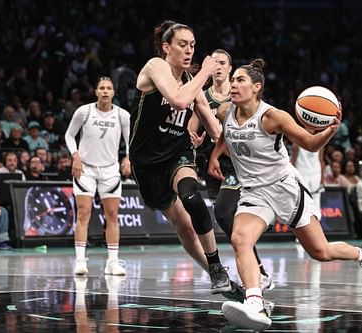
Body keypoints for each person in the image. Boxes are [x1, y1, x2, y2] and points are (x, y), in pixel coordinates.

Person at [209, 59, 362, 331]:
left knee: (321, 252)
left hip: (285, 189)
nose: (233, 84)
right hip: (254, 193)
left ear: (257, 87)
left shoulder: (273, 117)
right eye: (233, 79)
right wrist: (216, 154)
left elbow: (310, 144)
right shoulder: (223, 111)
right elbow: (226, 135)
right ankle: (255, 302)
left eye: (240, 80)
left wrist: (329, 130)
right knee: (240, 238)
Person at [129, 21, 233, 296]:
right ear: (166, 47)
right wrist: (205, 74)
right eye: (182, 44)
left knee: (192, 198)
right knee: (184, 227)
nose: (189, 51)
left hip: (178, 153)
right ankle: (213, 269)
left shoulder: (192, 82)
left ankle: (217, 269)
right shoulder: (155, 67)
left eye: (192, 45)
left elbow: (215, 130)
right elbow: (177, 99)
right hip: (147, 163)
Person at [190, 49, 273, 291]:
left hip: (237, 165)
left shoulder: (239, 95)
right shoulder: (202, 96)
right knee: (229, 218)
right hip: (212, 165)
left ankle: (255, 270)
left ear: (229, 69)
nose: (217, 66)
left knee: (225, 212)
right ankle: (257, 269)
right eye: (213, 62)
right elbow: (192, 128)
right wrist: (194, 141)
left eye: (222, 63)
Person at [65, 76, 131, 276]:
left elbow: (130, 141)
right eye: (101, 87)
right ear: (95, 91)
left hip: (110, 170)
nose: (104, 91)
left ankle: (112, 262)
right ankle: (79, 260)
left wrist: (128, 158)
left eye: (108, 88)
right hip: (85, 169)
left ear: (113, 93)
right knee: (84, 213)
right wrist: (75, 156)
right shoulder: (84, 112)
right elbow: (69, 135)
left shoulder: (122, 115)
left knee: (112, 215)